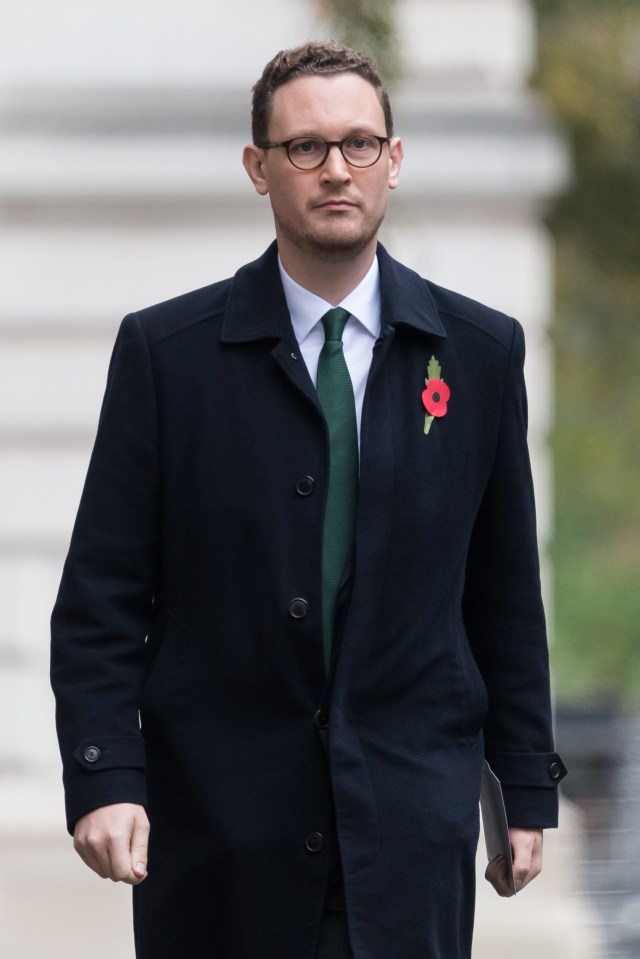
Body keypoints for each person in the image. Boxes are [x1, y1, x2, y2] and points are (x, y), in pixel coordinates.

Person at [50, 40, 566, 959]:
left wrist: (524, 784)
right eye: (306, 147)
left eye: (361, 144)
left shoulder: (481, 355)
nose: (337, 169)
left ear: (394, 162)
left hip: (405, 831)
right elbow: (99, 603)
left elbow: (504, 598)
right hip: (218, 838)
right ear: (259, 167)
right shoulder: (168, 357)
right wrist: (104, 775)